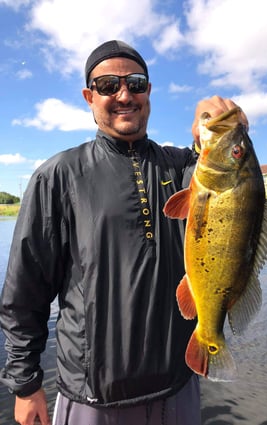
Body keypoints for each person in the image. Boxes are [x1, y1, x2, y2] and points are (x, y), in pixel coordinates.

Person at [0, 40, 248, 425]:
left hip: (177, 386)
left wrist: (213, 121)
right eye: (107, 86)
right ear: (89, 96)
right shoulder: (58, 176)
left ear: (148, 91)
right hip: (92, 397)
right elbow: (24, 293)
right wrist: (25, 383)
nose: (124, 94)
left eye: (135, 83)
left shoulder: (182, 166)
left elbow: (233, 195)